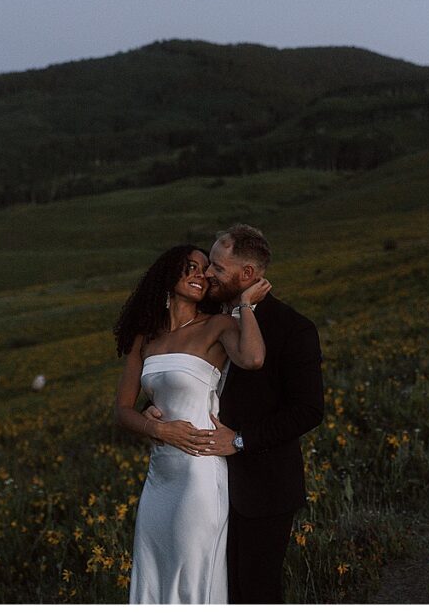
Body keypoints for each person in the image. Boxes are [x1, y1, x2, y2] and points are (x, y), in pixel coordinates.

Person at [143, 224, 325, 603]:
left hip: (262, 488)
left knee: (255, 593)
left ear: (248, 275)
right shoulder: (204, 315)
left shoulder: (293, 329)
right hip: (201, 485)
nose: (207, 274)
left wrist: (240, 440)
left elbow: (308, 410)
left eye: (218, 269)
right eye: (208, 265)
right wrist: (158, 403)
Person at [112, 244, 271, 604]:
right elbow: (122, 411)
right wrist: (155, 427)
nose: (200, 275)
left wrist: (244, 306)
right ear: (168, 276)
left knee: (192, 570)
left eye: (204, 269)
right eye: (191, 268)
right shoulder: (146, 339)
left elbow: (253, 358)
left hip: (200, 469)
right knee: (153, 570)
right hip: (160, 476)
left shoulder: (218, 325)